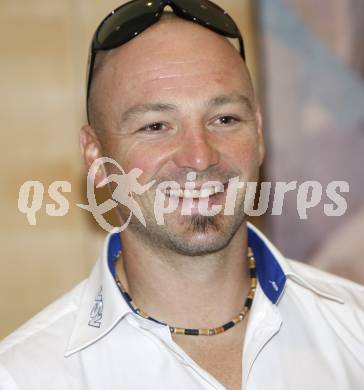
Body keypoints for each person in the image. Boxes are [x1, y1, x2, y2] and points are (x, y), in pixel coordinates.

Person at [0, 1, 363, 389]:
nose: (200, 156)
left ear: (258, 133)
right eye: (156, 125)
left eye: (224, 119)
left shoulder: (354, 326)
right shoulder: (24, 375)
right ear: (96, 155)